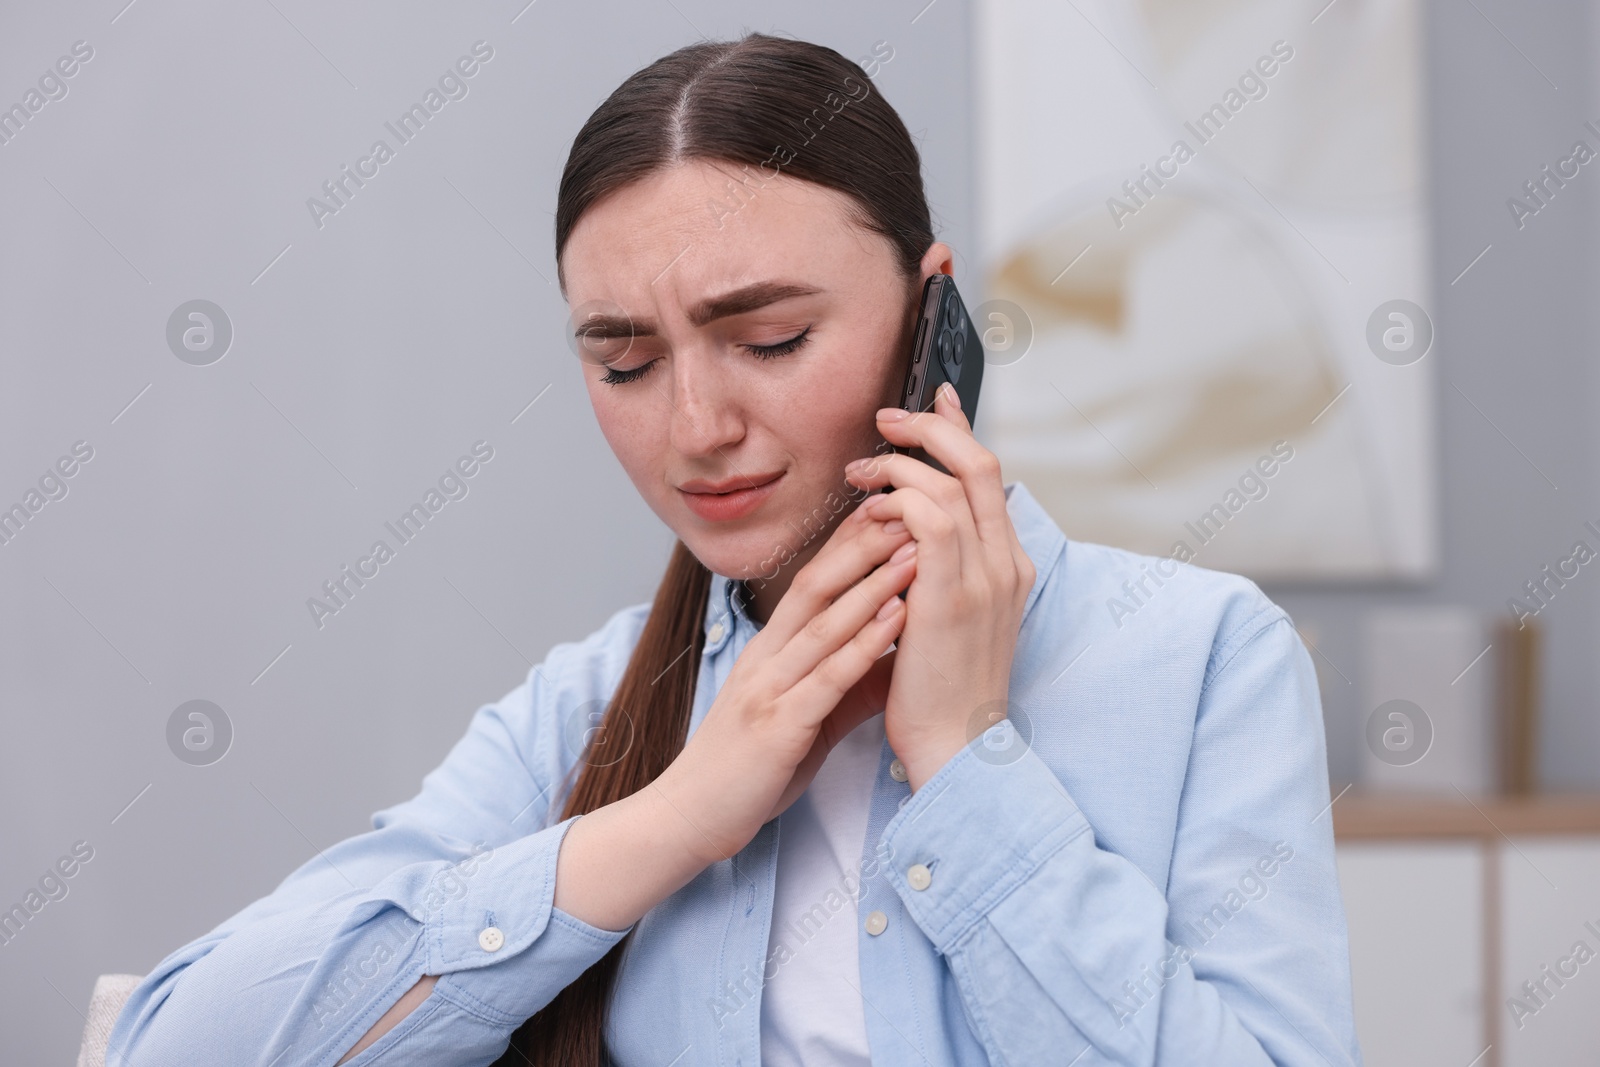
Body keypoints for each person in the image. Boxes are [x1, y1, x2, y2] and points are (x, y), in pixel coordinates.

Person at [108, 31, 1362, 1067]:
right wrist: (684, 810)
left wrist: (969, 766)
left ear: (932, 314)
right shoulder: (590, 710)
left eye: (767, 341)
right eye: (625, 361)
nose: (698, 430)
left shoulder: (1200, 660)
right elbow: (170, 1045)